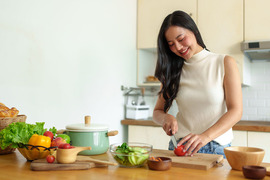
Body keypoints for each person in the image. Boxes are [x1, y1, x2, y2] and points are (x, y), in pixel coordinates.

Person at [153, 10, 243, 157]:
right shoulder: (172, 70)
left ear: (194, 30)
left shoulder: (224, 62)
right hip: (180, 146)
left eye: (181, 39)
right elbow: (157, 112)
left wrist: (205, 137)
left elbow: (236, 111)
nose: (178, 47)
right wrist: (165, 118)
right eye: (171, 44)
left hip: (215, 147)